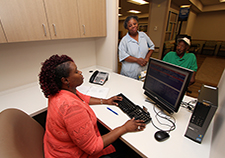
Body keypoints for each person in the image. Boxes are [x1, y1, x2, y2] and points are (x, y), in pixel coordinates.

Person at [39, 54, 146, 158]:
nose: (80, 72)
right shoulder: (71, 108)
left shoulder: (58, 92)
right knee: (124, 146)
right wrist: (124, 128)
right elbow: (93, 148)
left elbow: (82, 97)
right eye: (76, 72)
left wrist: (106, 101)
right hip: (70, 154)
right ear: (65, 80)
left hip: (55, 148)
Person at [119, 15, 155, 80]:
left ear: (137, 23)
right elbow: (123, 56)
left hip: (143, 70)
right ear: (127, 28)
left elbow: (152, 47)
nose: (133, 26)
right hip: (129, 73)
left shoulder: (143, 35)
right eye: (130, 25)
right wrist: (137, 60)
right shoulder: (124, 40)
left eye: (134, 24)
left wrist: (147, 58)